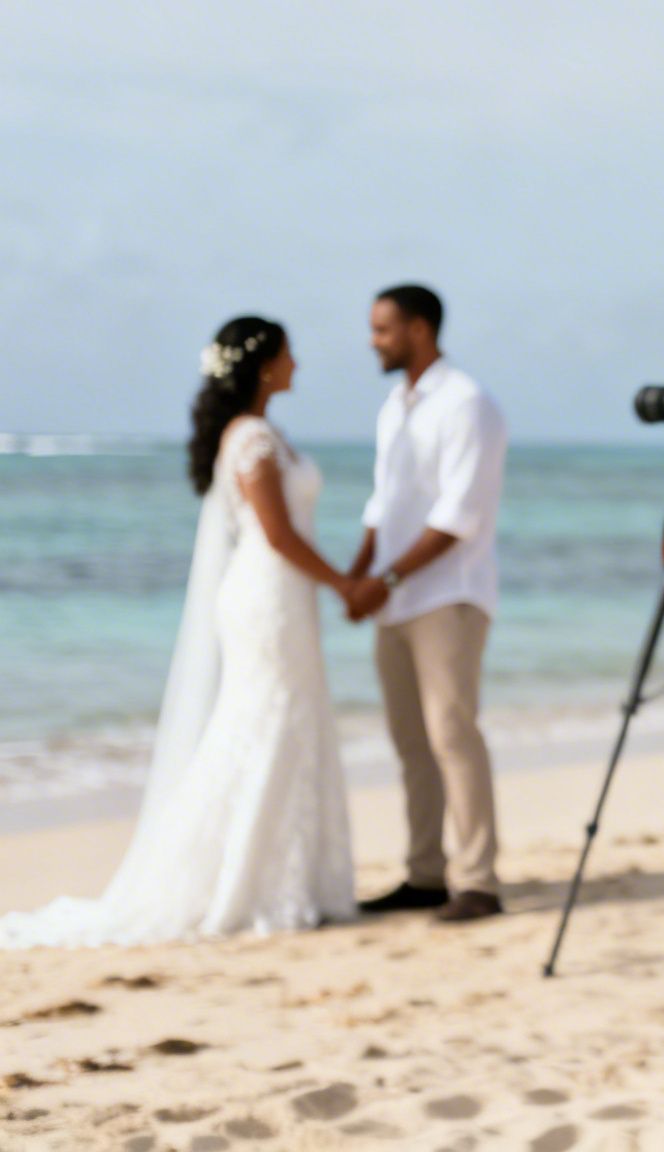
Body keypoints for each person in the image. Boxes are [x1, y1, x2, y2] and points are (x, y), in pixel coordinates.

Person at [2, 317, 362, 948]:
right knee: (262, 720)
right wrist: (345, 583)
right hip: (267, 592)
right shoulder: (250, 437)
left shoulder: (262, 432)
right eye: (288, 355)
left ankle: (288, 877)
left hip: (282, 593)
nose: (297, 364)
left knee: (285, 719)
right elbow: (277, 535)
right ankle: (240, 882)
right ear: (263, 366)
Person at [345, 285, 510, 924]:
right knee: (410, 740)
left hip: (449, 594)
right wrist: (355, 579)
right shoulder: (396, 405)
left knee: (452, 734)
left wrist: (380, 580)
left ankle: (478, 880)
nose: (372, 341)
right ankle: (424, 873)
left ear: (418, 329)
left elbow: (458, 516)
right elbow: (383, 506)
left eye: (382, 329)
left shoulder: (468, 403)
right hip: (395, 598)